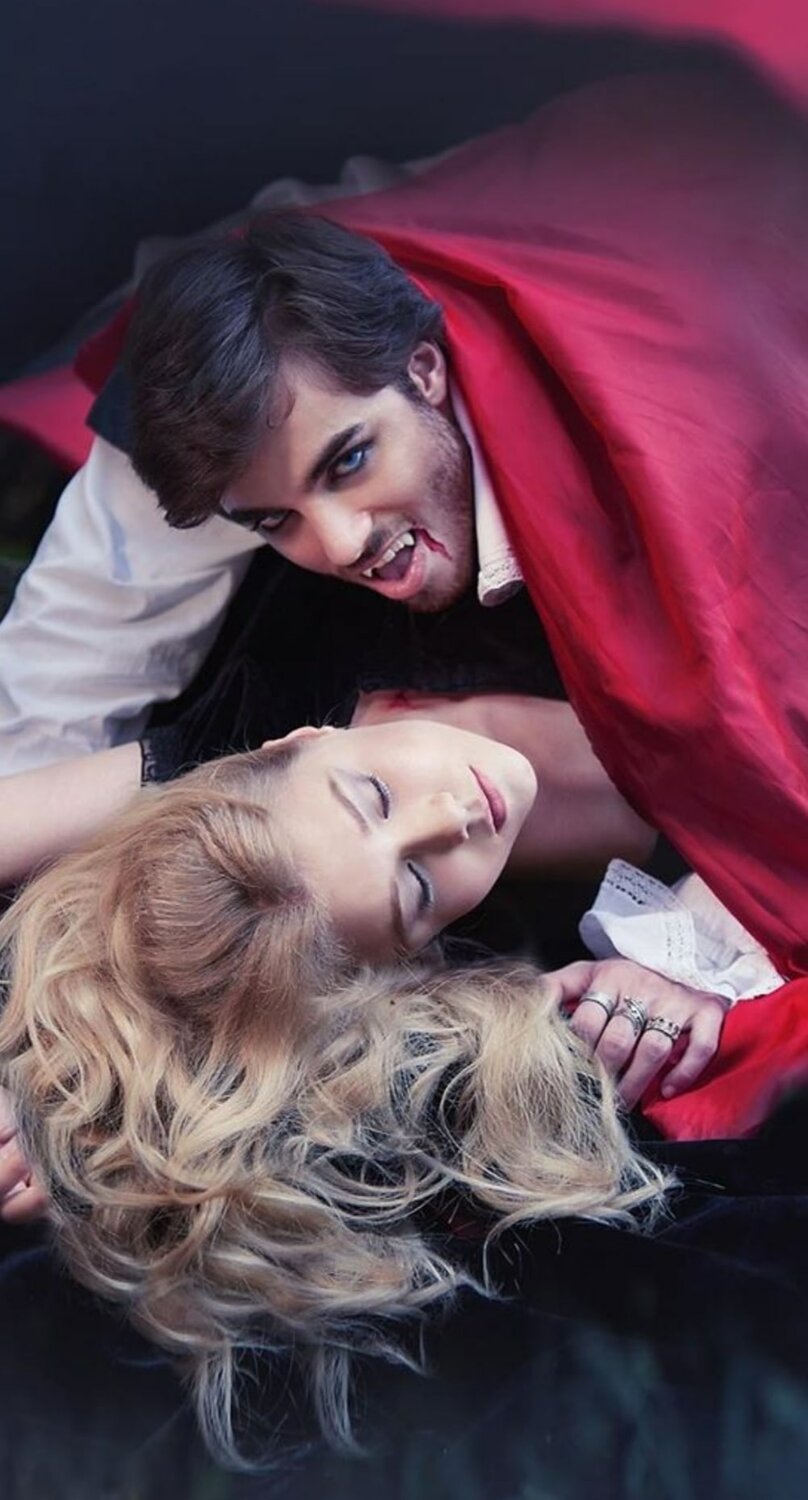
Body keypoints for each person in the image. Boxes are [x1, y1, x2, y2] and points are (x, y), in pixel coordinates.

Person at [0, 66, 806, 978]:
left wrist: (688, 948)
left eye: (348, 462)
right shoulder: (199, 406)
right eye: (275, 519)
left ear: (425, 372)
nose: (342, 542)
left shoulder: (689, 425)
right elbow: (61, 684)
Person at [1, 715, 746, 1464]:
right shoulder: (495, 979)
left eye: (376, 796)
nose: (453, 816)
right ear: (416, 960)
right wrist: (675, 946)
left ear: (298, 737)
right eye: (416, 885)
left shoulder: (261, 714)